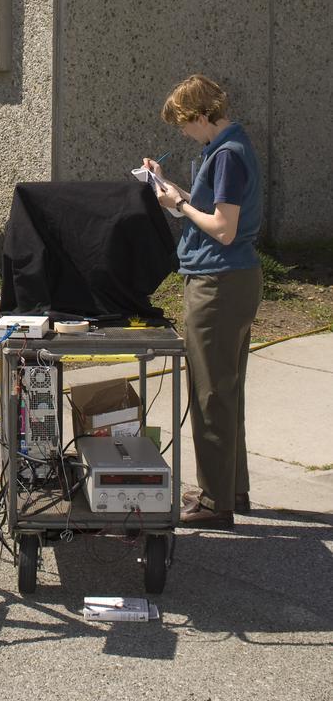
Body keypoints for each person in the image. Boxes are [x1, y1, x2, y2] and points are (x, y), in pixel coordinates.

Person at [142, 74, 263, 530]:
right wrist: (169, 189)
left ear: (199, 116)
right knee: (225, 390)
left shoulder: (227, 155)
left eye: (183, 124)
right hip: (232, 278)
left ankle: (215, 502)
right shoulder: (227, 149)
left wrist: (180, 204)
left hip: (218, 282)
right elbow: (215, 212)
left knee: (210, 392)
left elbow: (223, 229)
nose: (183, 133)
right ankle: (230, 488)